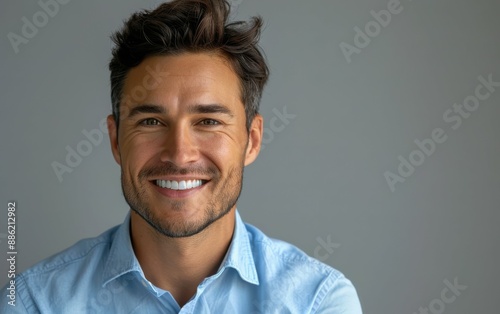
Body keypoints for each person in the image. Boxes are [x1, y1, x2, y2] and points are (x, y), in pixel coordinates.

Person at [1, 0, 362, 312]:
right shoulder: (35, 303)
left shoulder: (317, 302)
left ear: (251, 141)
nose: (180, 153)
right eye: (152, 121)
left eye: (208, 121)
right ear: (115, 140)